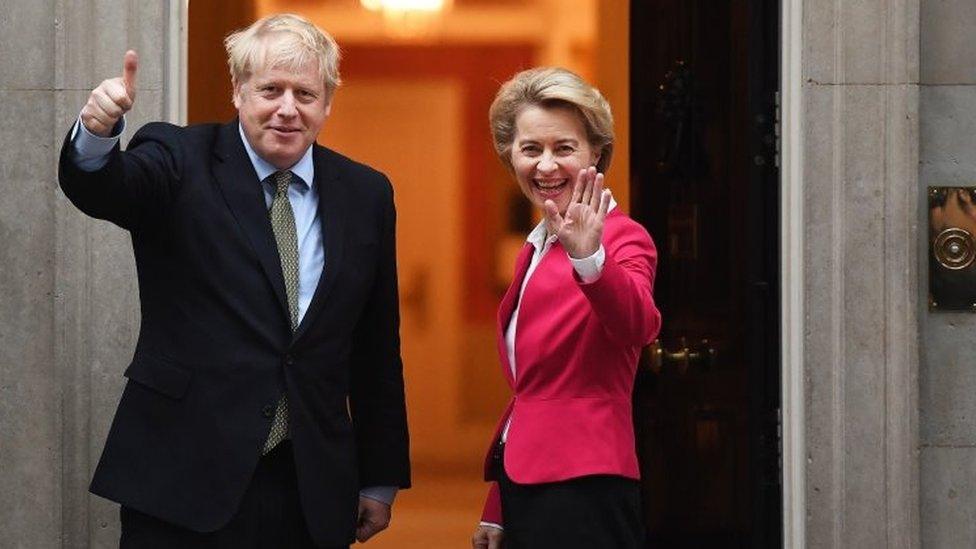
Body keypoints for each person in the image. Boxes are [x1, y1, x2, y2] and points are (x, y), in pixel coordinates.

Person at [58, 13, 409, 548]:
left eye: (305, 93)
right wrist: (97, 133)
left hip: (310, 487)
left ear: (328, 102)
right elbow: (108, 188)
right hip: (183, 479)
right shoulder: (179, 158)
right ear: (238, 91)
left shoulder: (366, 194)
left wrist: (380, 477)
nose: (288, 109)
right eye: (270, 89)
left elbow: (376, 346)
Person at [471, 67, 662, 549]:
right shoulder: (534, 247)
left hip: (587, 482)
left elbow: (639, 324)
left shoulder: (622, 237)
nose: (546, 166)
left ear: (595, 153)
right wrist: (499, 505)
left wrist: (590, 258)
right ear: (509, 154)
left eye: (564, 148)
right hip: (526, 480)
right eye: (530, 149)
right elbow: (533, 389)